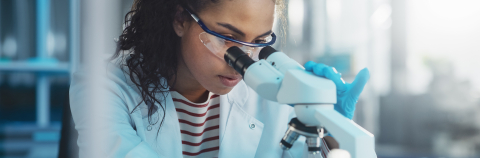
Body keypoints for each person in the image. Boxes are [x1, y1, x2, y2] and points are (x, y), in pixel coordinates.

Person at [69, 0, 370, 157]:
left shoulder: (272, 91)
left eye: (259, 42)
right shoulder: (103, 86)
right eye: (227, 38)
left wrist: (332, 129)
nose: (244, 61)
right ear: (180, 20)